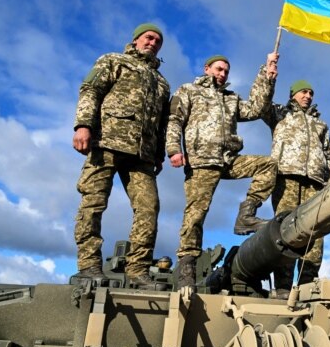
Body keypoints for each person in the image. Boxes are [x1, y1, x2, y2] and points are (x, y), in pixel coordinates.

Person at [167, 53, 279, 289]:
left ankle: (246, 215)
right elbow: (175, 120)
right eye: (219, 69)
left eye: (226, 71)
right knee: (196, 214)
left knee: (268, 164)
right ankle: (187, 266)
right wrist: (173, 149)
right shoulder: (188, 90)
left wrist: (266, 76)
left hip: (228, 158)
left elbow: (256, 109)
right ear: (207, 68)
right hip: (202, 161)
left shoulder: (230, 98)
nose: (222, 74)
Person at [72, 23, 171, 290]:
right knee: (93, 204)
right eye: (149, 38)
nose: (153, 43)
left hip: (142, 156)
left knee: (149, 209)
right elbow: (90, 91)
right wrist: (83, 126)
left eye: (158, 41)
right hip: (106, 142)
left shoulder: (162, 83)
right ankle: (89, 266)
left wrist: (159, 155)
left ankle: (138, 272)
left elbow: (162, 123)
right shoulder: (114, 61)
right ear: (136, 39)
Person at [262, 80, 330, 299]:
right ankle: (283, 285)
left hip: (315, 181)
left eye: (311, 93)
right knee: (286, 231)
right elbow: (262, 104)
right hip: (286, 177)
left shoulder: (320, 124)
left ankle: (307, 284)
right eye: (304, 92)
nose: (308, 96)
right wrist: (270, 75)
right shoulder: (280, 115)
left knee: (315, 232)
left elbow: (328, 154)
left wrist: (329, 181)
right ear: (293, 94)